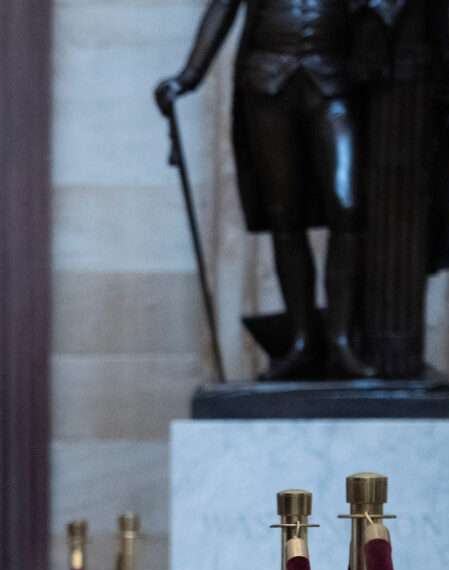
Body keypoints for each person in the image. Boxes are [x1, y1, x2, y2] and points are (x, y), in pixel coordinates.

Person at [156, 0, 369, 380]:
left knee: (347, 204)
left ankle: (340, 340)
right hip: (268, 80)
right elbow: (222, 8)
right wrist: (188, 76)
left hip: (332, 79)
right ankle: (302, 340)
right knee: (283, 213)